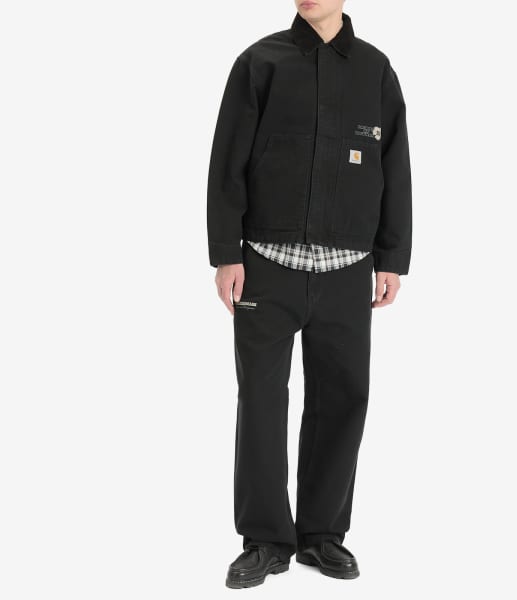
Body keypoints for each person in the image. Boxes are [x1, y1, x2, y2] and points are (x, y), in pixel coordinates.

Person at [207, 0, 412, 589]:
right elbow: (227, 160)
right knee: (261, 400)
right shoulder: (260, 62)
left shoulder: (376, 70)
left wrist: (392, 257)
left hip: (348, 270)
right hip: (265, 267)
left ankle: (322, 535)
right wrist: (226, 252)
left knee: (343, 398)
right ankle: (265, 539)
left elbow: (394, 164)